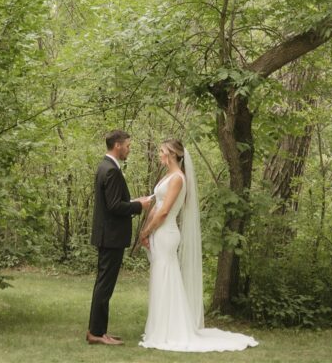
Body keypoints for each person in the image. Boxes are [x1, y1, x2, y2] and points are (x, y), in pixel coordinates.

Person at [139, 138, 258, 353]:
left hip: (166, 232)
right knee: (162, 278)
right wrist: (146, 229)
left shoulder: (177, 179)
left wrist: (146, 231)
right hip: (159, 231)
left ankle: (171, 330)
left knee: (166, 278)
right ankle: (162, 327)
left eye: (161, 151)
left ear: (172, 154)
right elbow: (156, 205)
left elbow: (165, 211)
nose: (158, 155)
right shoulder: (168, 176)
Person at [87, 129, 153, 346]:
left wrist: (134, 201)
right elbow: (115, 206)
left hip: (107, 235)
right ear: (117, 145)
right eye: (128, 146)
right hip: (111, 236)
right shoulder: (111, 170)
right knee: (105, 285)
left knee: (103, 284)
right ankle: (96, 333)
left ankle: (99, 330)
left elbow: (111, 202)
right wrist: (139, 206)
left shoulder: (105, 166)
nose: (129, 149)